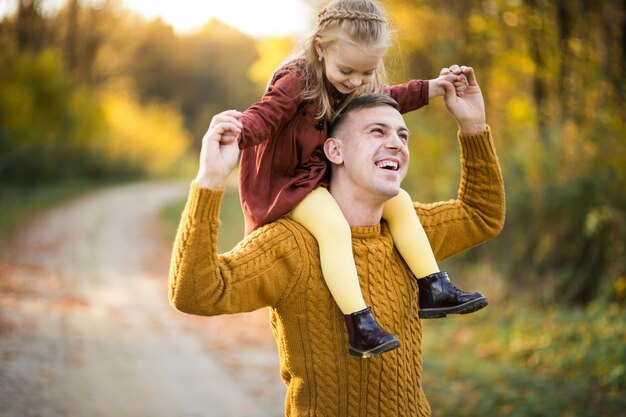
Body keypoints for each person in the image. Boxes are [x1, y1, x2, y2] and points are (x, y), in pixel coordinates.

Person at [169, 65, 505, 416]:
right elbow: (196, 292)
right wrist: (209, 180)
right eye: (377, 132)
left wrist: (472, 127)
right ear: (334, 151)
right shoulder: (292, 244)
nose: (396, 143)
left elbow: (482, 215)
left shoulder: (410, 233)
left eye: (403, 136)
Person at [236, 0, 487, 358]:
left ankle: (432, 286)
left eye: (366, 73)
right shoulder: (297, 79)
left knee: (398, 200)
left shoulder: (355, 79)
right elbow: (265, 115)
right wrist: (238, 132)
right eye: (348, 71)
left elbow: (386, 98)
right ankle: (360, 323)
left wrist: (433, 88)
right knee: (332, 225)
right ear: (321, 48)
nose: (356, 81)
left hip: (321, 174)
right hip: (286, 184)